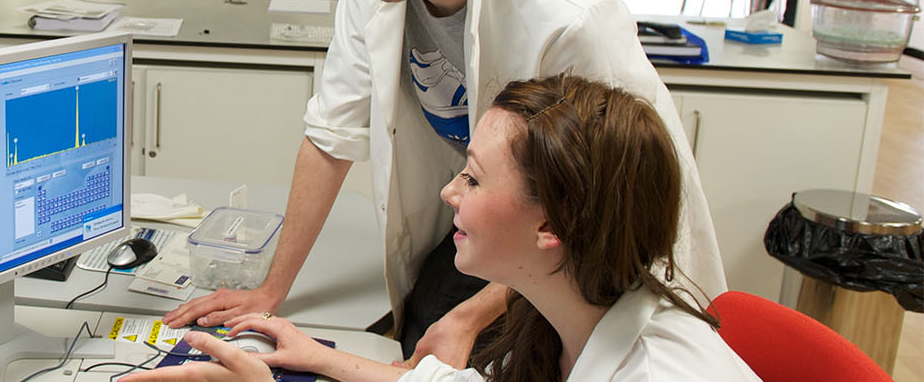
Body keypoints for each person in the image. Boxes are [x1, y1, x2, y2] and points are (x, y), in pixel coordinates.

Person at [162, 0, 726, 367]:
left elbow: (606, 205)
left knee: (492, 348)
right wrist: (269, 290)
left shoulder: (569, 17)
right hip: (499, 220)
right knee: (424, 332)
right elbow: (330, 134)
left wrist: (471, 314)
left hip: (587, 245)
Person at [131, 75, 761, 382]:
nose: (449, 192)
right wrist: (317, 358)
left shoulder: (661, 376)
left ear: (554, 225)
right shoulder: (562, 313)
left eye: (477, 180)